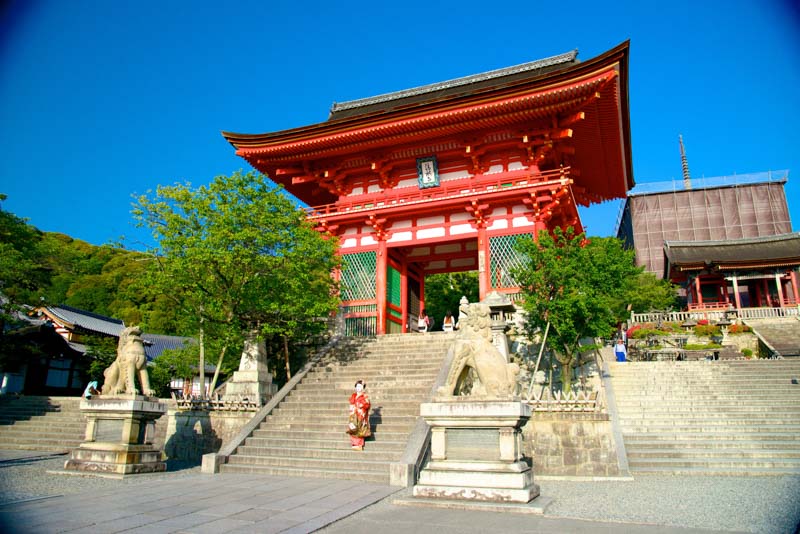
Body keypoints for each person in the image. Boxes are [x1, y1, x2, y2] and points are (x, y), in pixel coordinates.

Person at [347, 380, 371, 450]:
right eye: (357, 386)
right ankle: (354, 443)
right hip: (353, 414)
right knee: (353, 428)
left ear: (363, 388)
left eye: (360, 386)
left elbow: (367, 405)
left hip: (361, 414)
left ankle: (359, 444)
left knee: (360, 429)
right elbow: (351, 403)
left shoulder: (364, 396)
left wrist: (361, 405)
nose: (358, 388)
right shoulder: (353, 395)